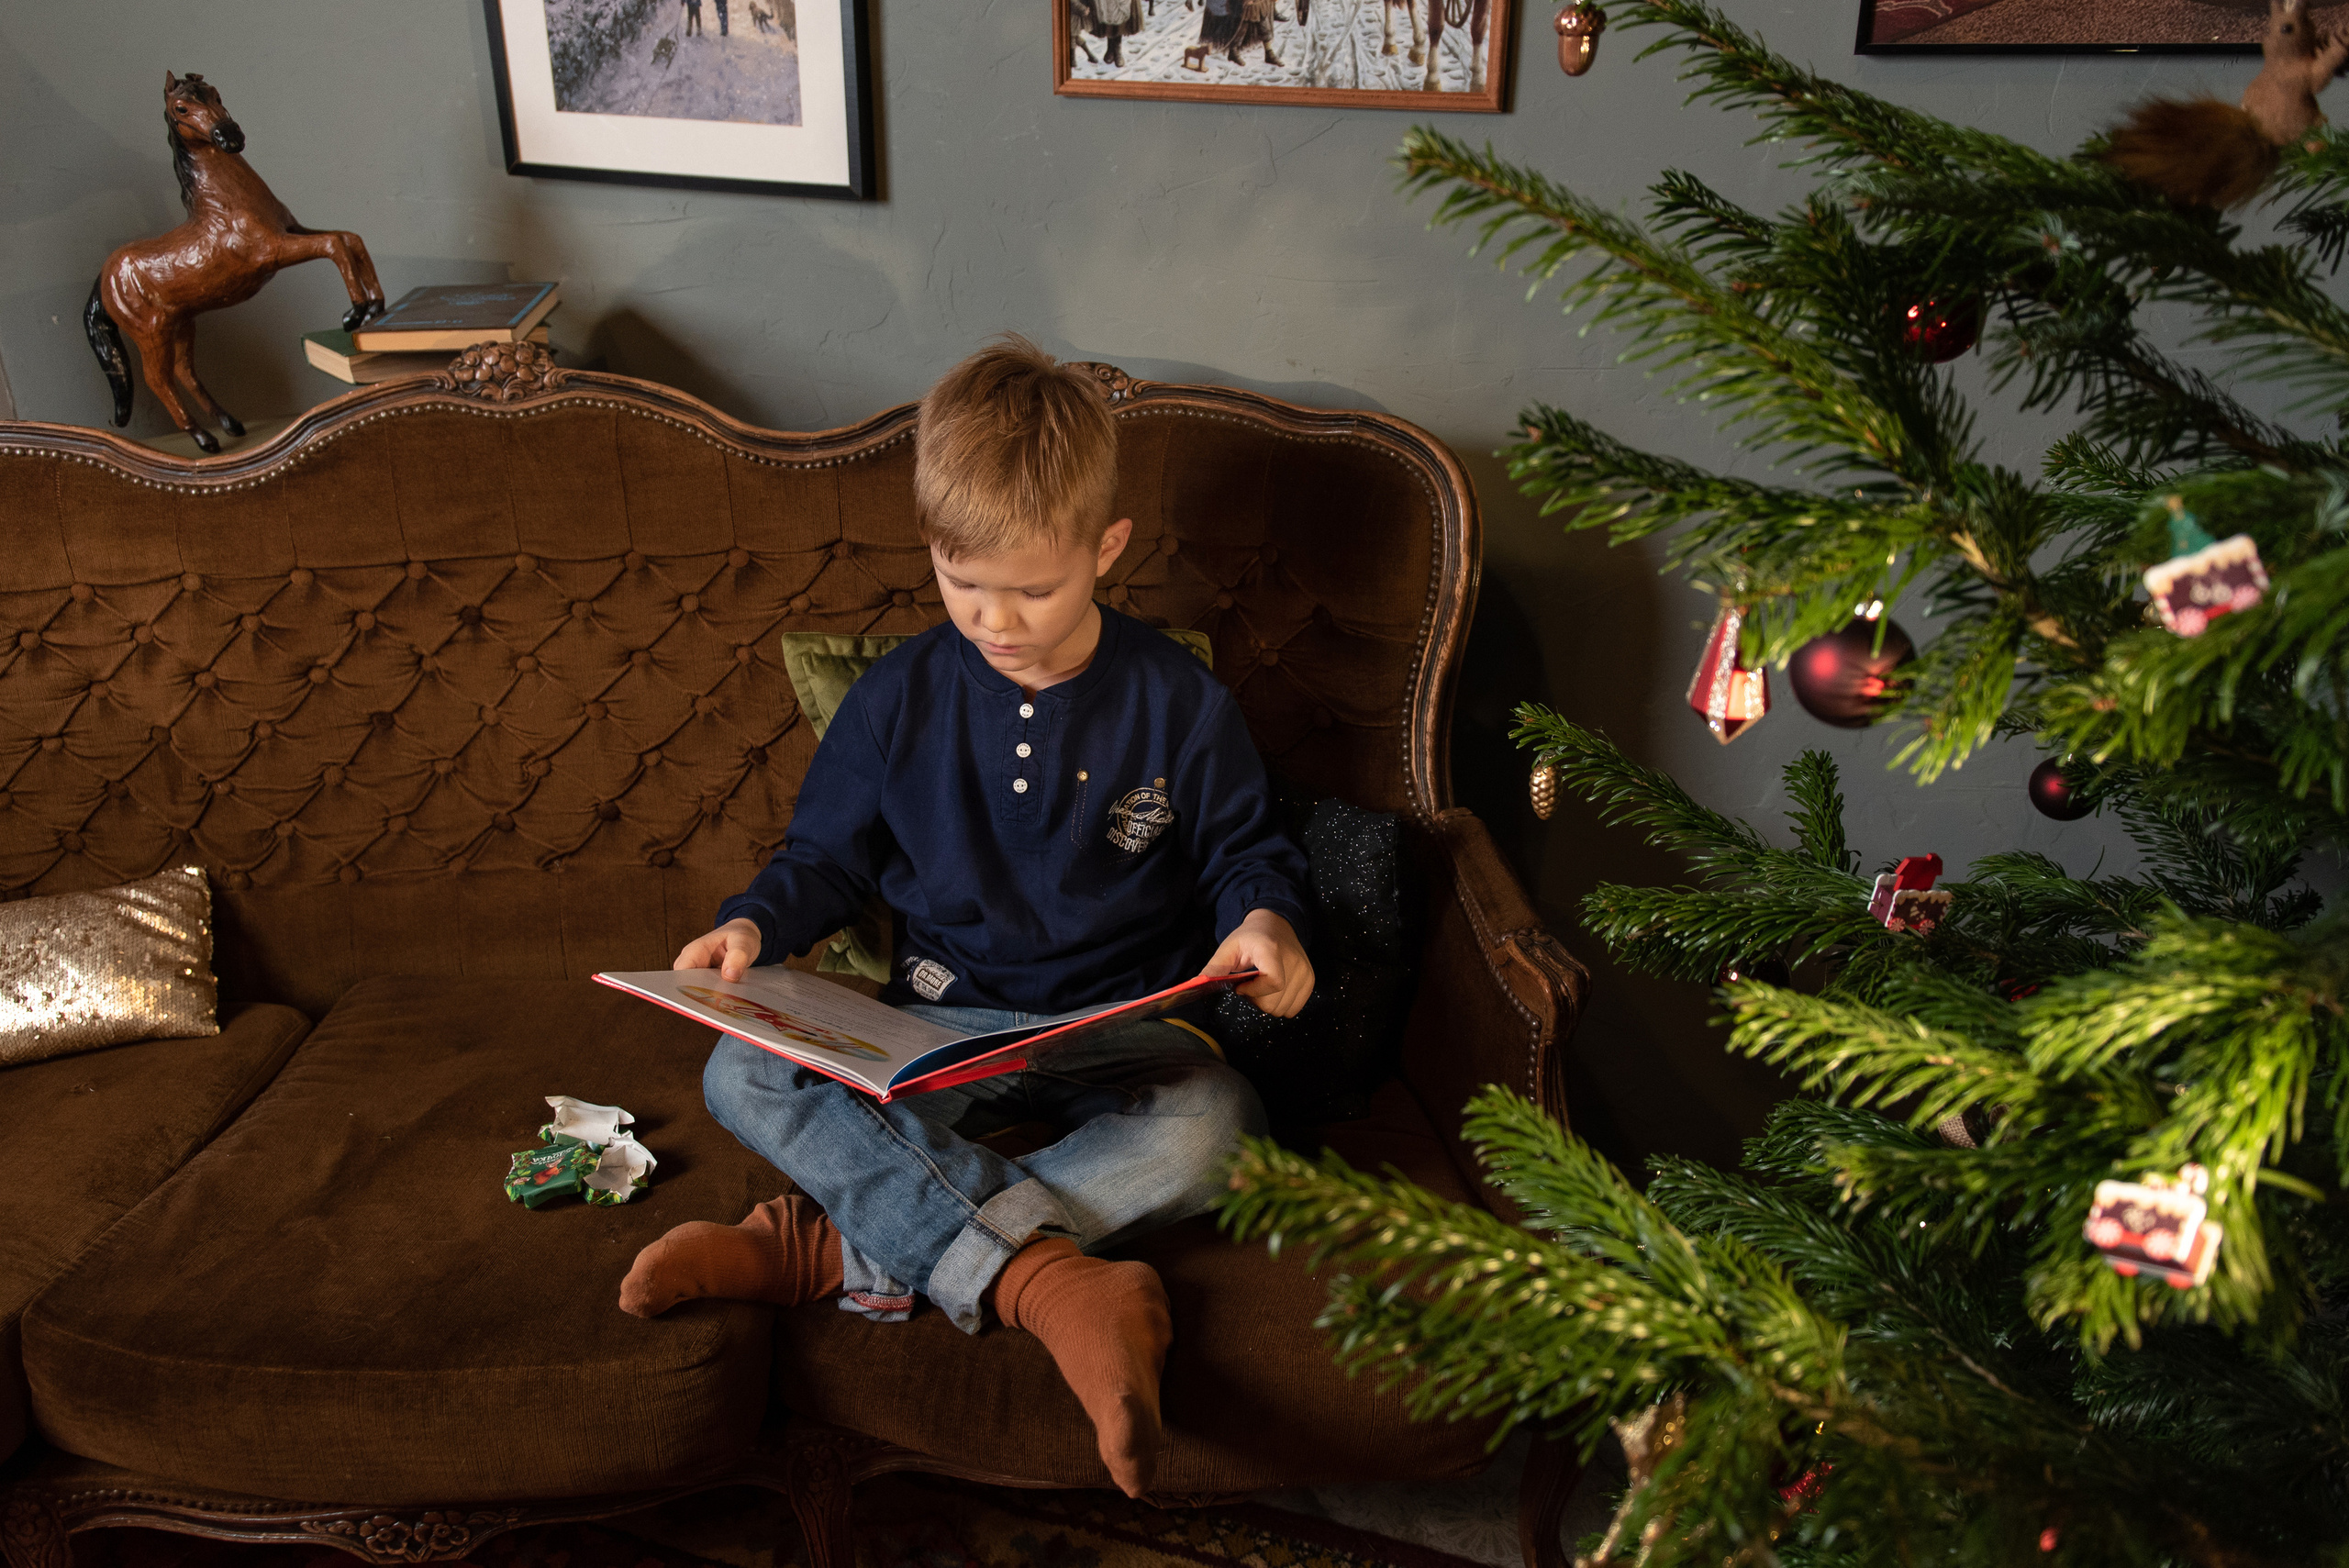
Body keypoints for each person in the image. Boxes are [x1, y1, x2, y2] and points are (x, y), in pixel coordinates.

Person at [618, 336, 1317, 1500]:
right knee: (742, 1072)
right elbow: (822, 859)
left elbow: (1249, 853)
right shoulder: (898, 697)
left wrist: (1263, 923)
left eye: (1032, 588)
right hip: (941, 1031)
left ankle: (827, 1250)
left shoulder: (1179, 703)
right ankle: (1049, 1282)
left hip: (1122, 1032)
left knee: (1224, 1127)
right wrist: (752, 928)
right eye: (960, 580)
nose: (994, 618)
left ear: (1106, 548)